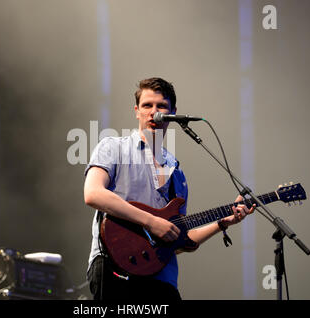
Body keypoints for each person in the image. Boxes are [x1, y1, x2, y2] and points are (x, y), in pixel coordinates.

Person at [84, 77, 255, 300]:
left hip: (162, 279)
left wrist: (223, 223)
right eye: (147, 105)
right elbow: (93, 194)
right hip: (116, 268)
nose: (154, 112)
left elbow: (178, 241)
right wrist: (151, 221)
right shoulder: (113, 147)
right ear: (137, 111)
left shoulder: (177, 174)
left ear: (173, 112)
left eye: (161, 106)